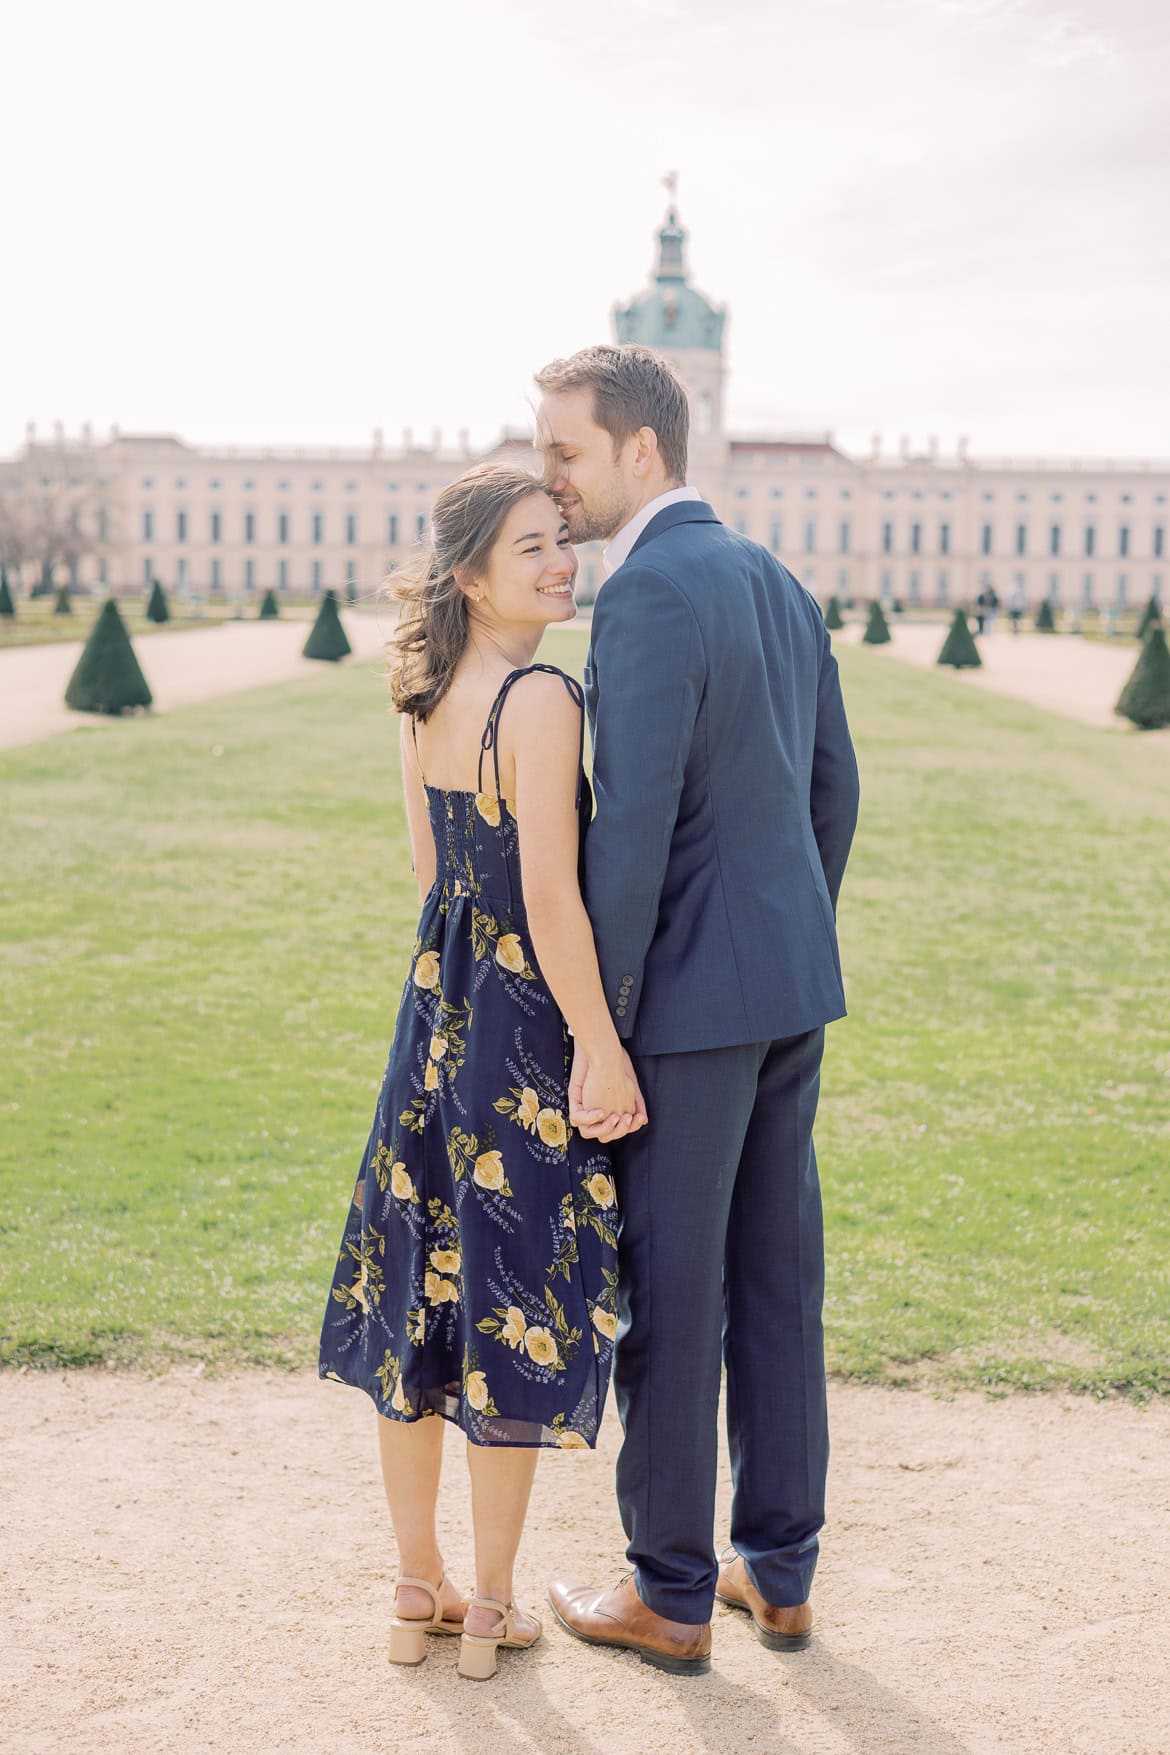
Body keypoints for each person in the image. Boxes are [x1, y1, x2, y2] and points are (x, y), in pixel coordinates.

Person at [535, 344, 860, 1676]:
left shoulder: (650, 587)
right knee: (776, 1279)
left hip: (686, 1002)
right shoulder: (774, 576)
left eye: (564, 451)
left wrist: (595, 1028)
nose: (549, 478)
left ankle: (669, 1587)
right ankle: (775, 1571)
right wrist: (785, 934)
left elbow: (630, 836)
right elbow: (833, 787)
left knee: (669, 1288)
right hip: (785, 986)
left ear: (641, 453)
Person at [318, 462, 646, 1682]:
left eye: (563, 540)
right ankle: (495, 1603)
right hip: (520, 1036)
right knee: (509, 1299)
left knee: (420, 1294)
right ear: (471, 575)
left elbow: (430, 874)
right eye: (533, 549)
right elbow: (553, 903)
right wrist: (599, 1050)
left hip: (434, 1018)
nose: (564, 561)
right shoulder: (542, 698)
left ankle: (420, 1586)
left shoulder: (414, 693)